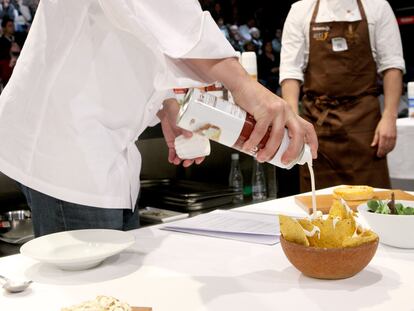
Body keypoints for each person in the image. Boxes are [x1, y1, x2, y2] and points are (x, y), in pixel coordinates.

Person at [0, 0, 318, 237]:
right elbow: (163, 11)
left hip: (103, 148)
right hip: (66, 148)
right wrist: (244, 84)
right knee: (93, 294)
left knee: (120, 287)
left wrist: (166, 102)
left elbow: (137, 31)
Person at [280, 0, 405, 191]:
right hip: (318, 127)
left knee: (372, 203)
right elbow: (290, 71)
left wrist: (390, 116)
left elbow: (392, 66)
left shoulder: (377, 7)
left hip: (365, 126)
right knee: (319, 206)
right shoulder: (301, 10)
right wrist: (293, 120)